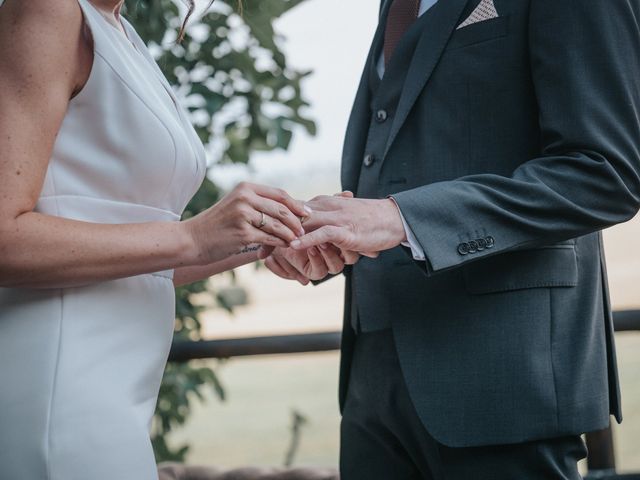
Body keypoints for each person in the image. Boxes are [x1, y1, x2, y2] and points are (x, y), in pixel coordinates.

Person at [267, 0, 640, 478]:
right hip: (371, 381)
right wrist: (328, 237)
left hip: (503, 379)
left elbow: (604, 175)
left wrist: (403, 219)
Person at [0, 1, 317, 479]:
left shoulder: (119, 31)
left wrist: (274, 234)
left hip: (116, 393)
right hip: (58, 386)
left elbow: (140, 259)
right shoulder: (48, 10)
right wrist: (193, 234)